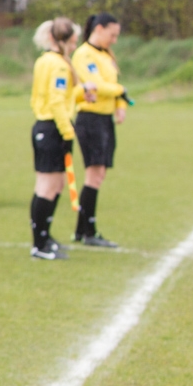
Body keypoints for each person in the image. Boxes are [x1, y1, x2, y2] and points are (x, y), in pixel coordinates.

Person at [29, 18, 81, 260]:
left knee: (56, 184)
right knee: (47, 186)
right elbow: (56, 100)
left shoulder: (47, 60)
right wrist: (68, 132)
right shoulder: (59, 65)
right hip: (52, 128)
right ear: (70, 39)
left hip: (47, 126)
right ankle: (39, 244)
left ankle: (45, 237)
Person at [71, 13, 125, 248]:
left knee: (99, 173)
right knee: (94, 174)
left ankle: (82, 229)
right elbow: (98, 86)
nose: (114, 40)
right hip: (90, 117)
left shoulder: (106, 55)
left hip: (105, 118)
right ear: (99, 29)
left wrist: (121, 104)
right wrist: (120, 90)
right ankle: (88, 230)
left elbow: (114, 87)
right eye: (112, 34)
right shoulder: (84, 54)